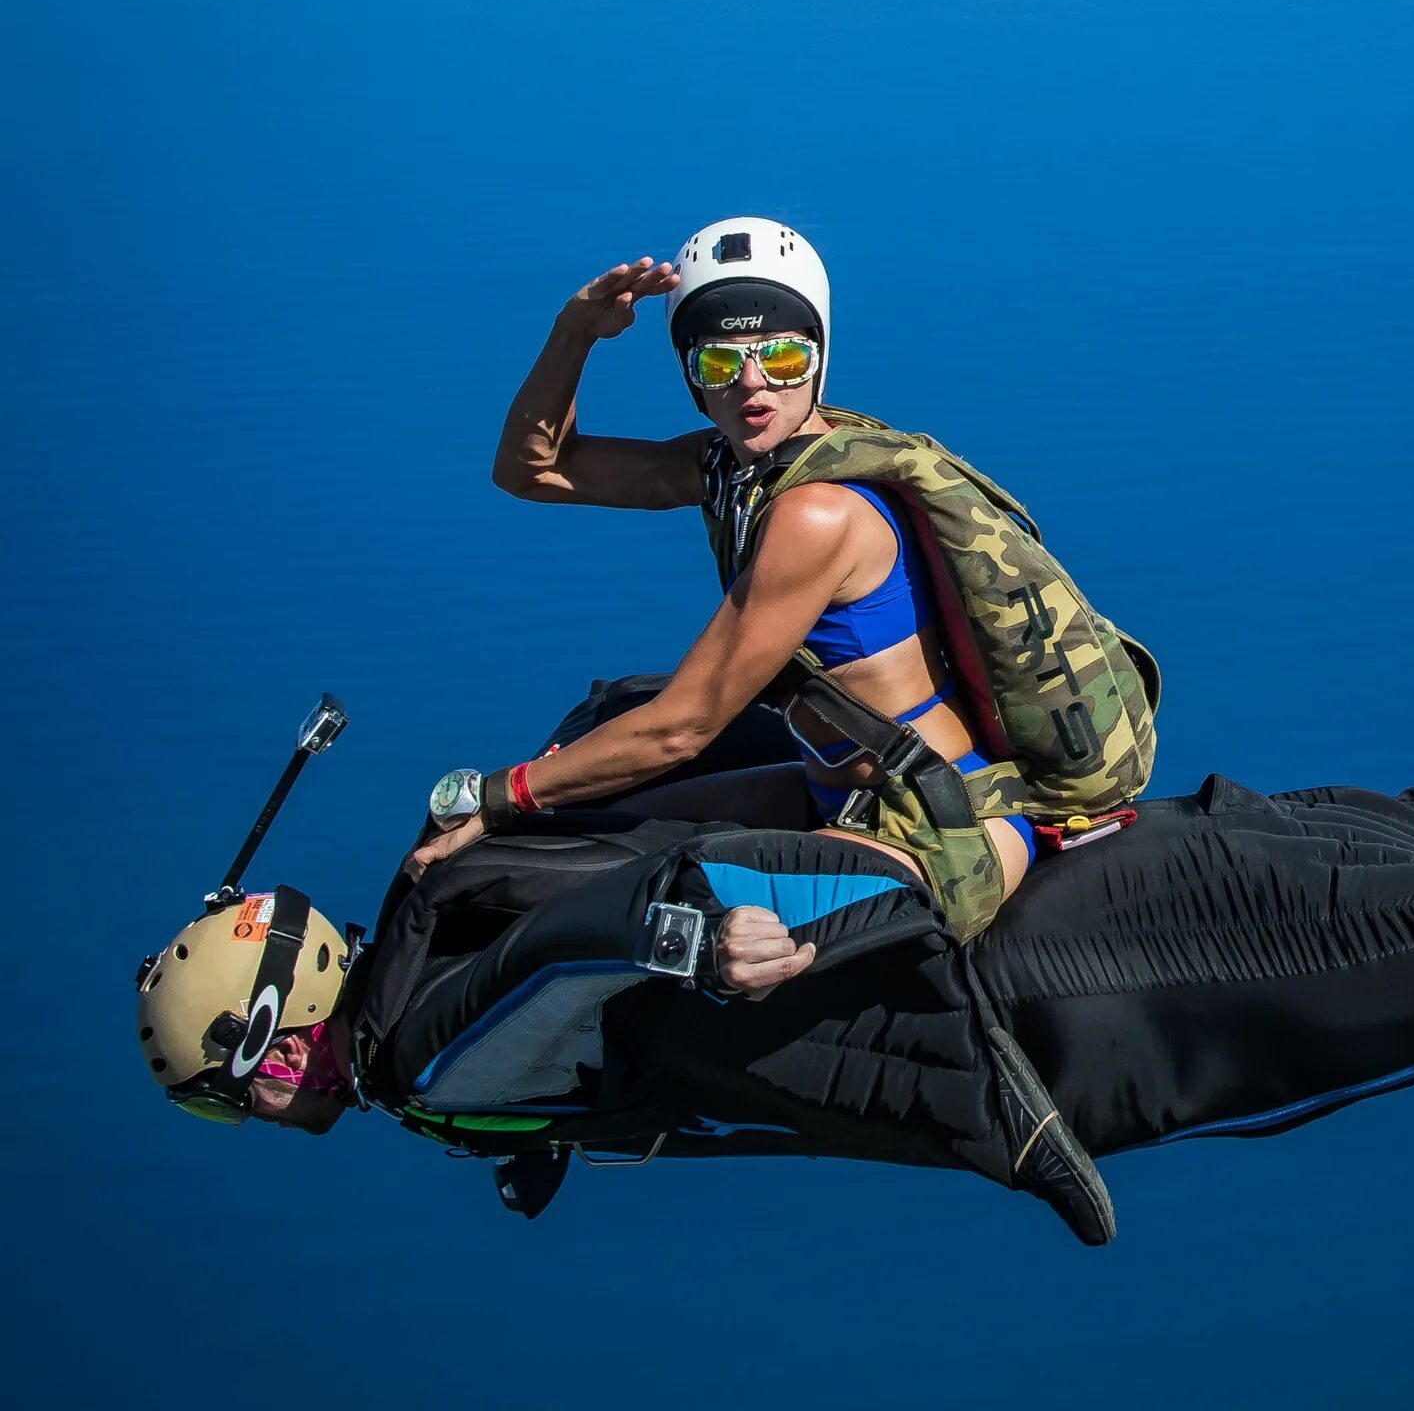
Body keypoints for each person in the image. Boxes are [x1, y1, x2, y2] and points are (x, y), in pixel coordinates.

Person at [135, 706, 1414, 1242]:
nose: (266, 1113)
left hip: (901, 987)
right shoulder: (453, 886)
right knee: (1221, 854)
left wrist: (696, 933)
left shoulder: (429, 1058)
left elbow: (596, 943)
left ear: (275, 1049)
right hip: (932, 864)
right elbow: (572, 922)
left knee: (1251, 1023)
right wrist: (551, 1137)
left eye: (239, 1089)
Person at [407, 218, 1156, 943]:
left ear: (819, 359)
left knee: (629, 901)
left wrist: (496, 795)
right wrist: (574, 333)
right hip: (836, 792)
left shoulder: (817, 513)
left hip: (931, 830)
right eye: (721, 364)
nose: (755, 386)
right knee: (571, 843)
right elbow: (532, 471)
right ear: (692, 378)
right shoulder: (733, 469)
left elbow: (681, 727)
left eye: (785, 359)